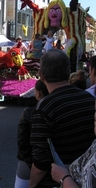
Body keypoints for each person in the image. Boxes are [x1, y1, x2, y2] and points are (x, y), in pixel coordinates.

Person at [29, 49, 95, 188]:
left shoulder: (44, 108)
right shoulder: (89, 99)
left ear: (41, 75)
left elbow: (41, 163)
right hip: (87, 179)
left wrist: (31, 185)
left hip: (57, 182)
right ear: (68, 71)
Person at [14, 80, 49, 188]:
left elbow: (22, 140)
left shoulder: (28, 112)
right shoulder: (53, 108)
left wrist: (29, 162)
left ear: (38, 93)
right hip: (50, 164)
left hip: (28, 163)